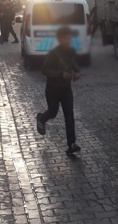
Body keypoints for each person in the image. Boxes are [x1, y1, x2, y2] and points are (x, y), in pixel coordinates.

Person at [36, 26, 82, 154]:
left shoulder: (72, 51)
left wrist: (76, 73)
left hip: (66, 88)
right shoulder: (53, 53)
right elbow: (45, 70)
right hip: (53, 89)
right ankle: (41, 118)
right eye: (65, 38)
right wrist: (60, 74)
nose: (67, 41)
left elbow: (75, 65)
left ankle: (71, 144)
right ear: (59, 39)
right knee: (53, 112)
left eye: (69, 38)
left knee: (69, 115)